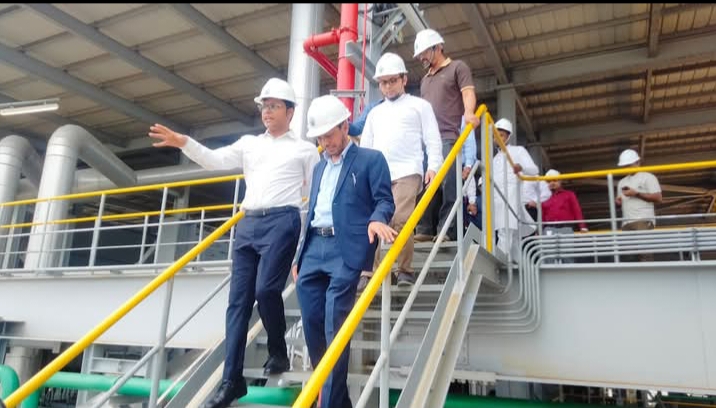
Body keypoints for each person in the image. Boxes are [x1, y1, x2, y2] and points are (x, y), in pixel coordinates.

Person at [149, 78, 320, 408]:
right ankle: (232, 382)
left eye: (273, 106)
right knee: (237, 304)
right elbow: (214, 160)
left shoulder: (305, 150)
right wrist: (184, 142)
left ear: (290, 111)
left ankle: (278, 351)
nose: (266, 112)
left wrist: (304, 246)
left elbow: (313, 197)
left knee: (266, 291)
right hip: (248, 223)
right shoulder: (249, 144)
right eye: (264, 107)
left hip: (283, 222)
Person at [292, 94, 396, 408]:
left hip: (345, 250)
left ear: (345, 126)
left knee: (334, 325)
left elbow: (384, 200)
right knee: (312, 325)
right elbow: (312, 212)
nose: (325, 143)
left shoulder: (371, 160)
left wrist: (377, 219)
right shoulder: (319, 168)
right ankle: (336, 398)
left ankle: (326, 402)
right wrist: (299, 255)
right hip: (313, 248)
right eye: (320, 138)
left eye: (329, 135)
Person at [358, 52, 443, 291]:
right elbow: (365, 146)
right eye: (383, 82)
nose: (388, 86)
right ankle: (368, 271)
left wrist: (433, 167)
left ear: (404, 79)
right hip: (377, 174)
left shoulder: (420, 106)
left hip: (408, 170)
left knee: (401, 220)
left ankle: (404, 270)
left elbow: (433, 140)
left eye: (392, 80)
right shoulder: (375, 113)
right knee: (373, 220)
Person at [413, 28, 479, 243]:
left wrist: (469, 112)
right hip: (427, 141)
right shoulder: (425, 80)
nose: (422, 58)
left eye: (425, 52)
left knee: (449, 185)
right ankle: (425, 228)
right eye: (420, 54)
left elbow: (467, 92)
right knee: (426, 185)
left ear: (438, 47)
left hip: (449, 136)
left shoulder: (457, 67)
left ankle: (447, 230)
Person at [492, 118, 538, 262]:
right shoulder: (495, 158)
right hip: (497, 201)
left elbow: (534, 170)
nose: (498, 138)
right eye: (496, 135)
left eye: (501, 135)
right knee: (511, 237)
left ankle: (498, 262)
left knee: (505, 231)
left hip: (511, 199)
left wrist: (521, 167)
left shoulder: (518, 151)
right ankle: (522, 266)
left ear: (508, 136)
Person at [615, 149, 662, 262]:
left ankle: (648, 273)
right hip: (626, 223)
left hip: (643, 221)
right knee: (628, 257)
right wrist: (618, 203)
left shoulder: (648, 177)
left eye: (629, 164)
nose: (626, 168)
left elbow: (658, 198)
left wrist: (636, 194)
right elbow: (620, 204)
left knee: (645, 255)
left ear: (638, 162)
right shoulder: (621, 182)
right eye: (625, 166)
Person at [541, 169, 588, 263]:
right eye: (549, 181)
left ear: (560, 181)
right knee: (549, 257)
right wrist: (539, 229)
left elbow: (576, 210)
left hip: (566, 228)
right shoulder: (543, 197)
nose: (552, 183)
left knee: (567, 255)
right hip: (549, 228)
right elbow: (542, 214)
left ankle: (569, 272)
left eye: (554, 180)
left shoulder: (569, 195)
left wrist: (582, 226)